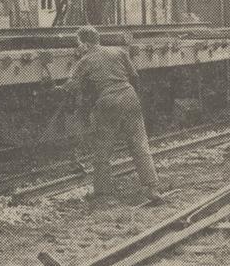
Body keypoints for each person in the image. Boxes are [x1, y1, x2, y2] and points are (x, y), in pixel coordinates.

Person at [59, 25, 163, 203]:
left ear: (84, 44)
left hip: (108, 101)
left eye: (79, 44)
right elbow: (134, 76)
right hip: (130, 96)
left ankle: (104, 194)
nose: (78, 48)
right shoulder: (119, 51)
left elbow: (71, 86)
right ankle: (152, 189)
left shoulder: (85, 60)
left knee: (103, 148)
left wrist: (54, 89)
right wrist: (134, 98)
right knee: (139, 143)